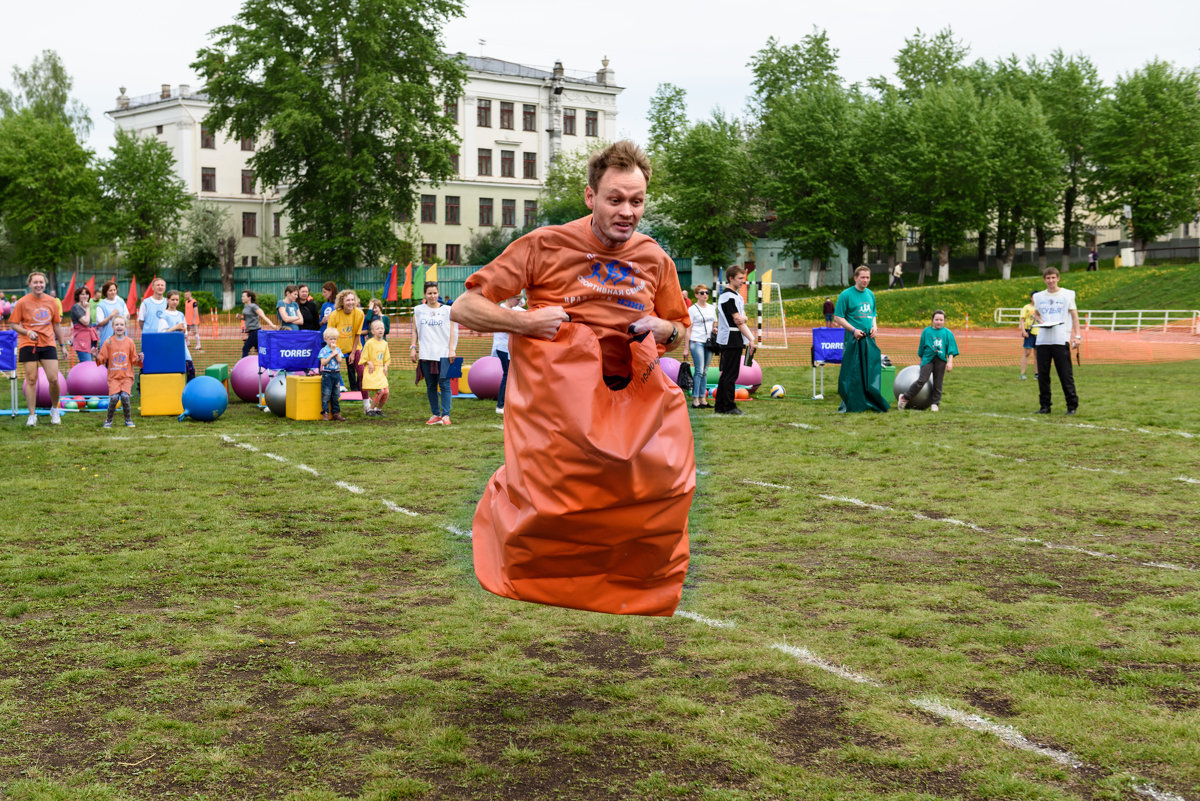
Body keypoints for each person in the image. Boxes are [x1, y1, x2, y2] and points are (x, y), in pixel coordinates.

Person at [448, 139, 693, 616]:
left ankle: (629, 584)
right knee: (551, 511)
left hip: (629, 408)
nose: (627, 212)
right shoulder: (546, 244)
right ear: (590, 197)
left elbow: (679, 330)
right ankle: (532, 569)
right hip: (558, 412)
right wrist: (525, 322)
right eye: (615, 199)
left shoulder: (654, 258)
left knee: (667, 490)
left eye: (637, 201)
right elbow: (465, 306)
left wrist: (666, 328)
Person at [9, 271, 63, 426]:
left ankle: (55, 409)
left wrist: (62, 345)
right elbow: (13, 324)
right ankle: (32, 415)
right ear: (30, 284)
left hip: (48, 344)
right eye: (35, 282)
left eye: (41, 282)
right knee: (31, 379)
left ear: (45, 284)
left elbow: (57, 325)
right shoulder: (22, 302)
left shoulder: (52, 301)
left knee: (53, 378)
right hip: (28, 344)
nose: (39, 285)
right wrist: (27, 332)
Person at [833, 265, 887, 412]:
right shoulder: (846, 295)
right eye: (862, 277)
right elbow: (838, 317)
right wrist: (854, 330)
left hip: (869, 339)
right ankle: (851, 402)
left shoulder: (870, 294)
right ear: (855, 278)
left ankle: (869, 401)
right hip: (853, 339)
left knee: (870, 371)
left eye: (868, 277)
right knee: (853, 372)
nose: (865, 280)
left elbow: (873, 314)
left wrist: (874, 327)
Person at [1032, 267, 1081, 415]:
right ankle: (1045, 406)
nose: (1051, 281)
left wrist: (1077, 336)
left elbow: (1074, 316)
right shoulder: (1039, 296)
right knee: (1043, 375)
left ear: (1058, 278)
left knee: (1065, 374)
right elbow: (1036, 313)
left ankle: (1071, 405)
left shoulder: (1067, 295)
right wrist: (1040, 320)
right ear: (1044, 280)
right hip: (1043, 341)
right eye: (1048, 278)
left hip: (1060, 339)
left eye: (1053, 278)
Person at [411, 281, 457, 425]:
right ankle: (435, 414)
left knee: (445, 385)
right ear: (425, 295)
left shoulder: (448, 310)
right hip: (426, 354)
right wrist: (413, 347)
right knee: (430, 386)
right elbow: (415, 330)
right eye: (429, 293)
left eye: (435, 293)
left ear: (438, 293)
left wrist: (452, 349)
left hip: (443, 353)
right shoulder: (418, 310)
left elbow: (453, 332)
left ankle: (446, 415)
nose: (432, 296)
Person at [713, 266, 755, 415]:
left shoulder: (736, 296)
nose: (742, 281)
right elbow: (737, 319)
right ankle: (728, 406)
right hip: (730, 339)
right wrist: (750, 336)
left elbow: (740, 320)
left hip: (735, 338)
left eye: (743, 278)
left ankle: (721, 406)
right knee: (729, 374)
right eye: (739, 278)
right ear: (731, 278)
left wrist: (750, 337)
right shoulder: (727, 296)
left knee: (729, 374)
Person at [897, 309, 958, 412]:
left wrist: (950, 361)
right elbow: (921, 347)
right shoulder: (926, 331)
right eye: (937, 319)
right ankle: (905, 397)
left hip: (941, 360)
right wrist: (920, 359)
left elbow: (951, 349)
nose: (939, 322)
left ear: (944, 321)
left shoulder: (948, 333)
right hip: (928, 359)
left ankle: (935, 404)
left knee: (938, 383)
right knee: (922, 380)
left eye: (941, 320)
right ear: (932, 320)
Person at [95, 316, 141, 428]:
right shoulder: (108, 342)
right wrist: (96, 355)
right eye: (117, 325)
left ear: (125, 327)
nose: (119, 327)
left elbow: (134, 360)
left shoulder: (130, 342)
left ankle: (128, 420)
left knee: (125, 397)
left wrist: (139, 359)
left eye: (121, 324)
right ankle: (108, 420)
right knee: (114, 398)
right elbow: (102, 359)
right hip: (113, 377)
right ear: (112, 327)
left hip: (127, 376)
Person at [491, 294, 524, 415]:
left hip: (511, 347)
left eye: (520, 300)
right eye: (517, 300)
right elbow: (505, 327)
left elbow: (527, 313)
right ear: (509, 298)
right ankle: (500, 405)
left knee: (512, 375)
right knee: (507, 374)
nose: (519, 302)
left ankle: (510, 403)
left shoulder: (515, 309)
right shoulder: (501, 310)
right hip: (502, 347)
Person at [327, 290, 365, 394]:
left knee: (361, 372)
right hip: (336, 347)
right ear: (342, 302)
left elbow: (357, 334)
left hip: (354, 346)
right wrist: (334, 351)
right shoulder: (334, 315)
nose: (351, 302)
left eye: (352, 300)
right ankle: (335, 390)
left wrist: (352, 353)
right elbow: (330, 334)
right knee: (333, 371)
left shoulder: (359, 313)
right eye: (347, 300)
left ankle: (362, 394)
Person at [687, 284, 717, 409]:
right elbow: (689, 329)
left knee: (705, 371)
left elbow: (714, 323)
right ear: (696, 295)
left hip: (709, 342)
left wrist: (715, 329)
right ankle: (695, 400)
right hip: (696, 341)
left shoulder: (711, 308)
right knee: (699, 371)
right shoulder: (692, 309)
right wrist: (685, 348)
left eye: (707, 292)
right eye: (702, 293)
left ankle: (703, 399)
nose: (705, 295)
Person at [159, 290, 196, 381]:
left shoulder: (181, 314)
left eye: (177, 300)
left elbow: (185, 331)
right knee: (174, 370)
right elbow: (161, 333)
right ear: (167, 300)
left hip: (181, 345)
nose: (175, 302)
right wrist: (176, 327)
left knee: (190, 368)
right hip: (169, 347)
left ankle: (189, 391)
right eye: (172, 299)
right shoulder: (164, 315)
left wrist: (184, 330)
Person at [361, 318, 391, 417]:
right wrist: (369, 363)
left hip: (380, 371)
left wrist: (386, 366)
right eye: (378, 328)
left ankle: (378, 409)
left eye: (382, 328)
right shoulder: (369, 343)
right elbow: (363, 356)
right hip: (372, 371)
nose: (380, 330)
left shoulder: (385, 343)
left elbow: (386, 358)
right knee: (380, 391)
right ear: (373, 331)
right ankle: (369, 409)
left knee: (386, 391)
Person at [318, 327, 346, 421]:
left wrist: (335, 352)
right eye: (331, 339)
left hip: (336, 374)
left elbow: (339, 360)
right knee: (326, 394)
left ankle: (336, 413)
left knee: (336, 394)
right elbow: (323, 363)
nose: (333, 341)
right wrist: (331, 355)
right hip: (327, 374)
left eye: (334, 339)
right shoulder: (323, 350)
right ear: (325, 339)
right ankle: (325, 413)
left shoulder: (337, 350)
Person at [240, 289, 278, 357]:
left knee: (245, 349)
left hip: (255, 331)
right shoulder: (246, 306)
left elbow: (263, 316)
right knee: (260, 350)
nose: (242, 298)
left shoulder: (254, 306)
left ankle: (242, 366)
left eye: (244, 296)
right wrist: (240, 317)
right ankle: (264, 364)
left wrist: (272, 325)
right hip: (251, 331)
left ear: (249, 297)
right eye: (242, 296)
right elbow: (247, 318)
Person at [95, 281, 126, 351]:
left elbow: (127, 316)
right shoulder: (101, 305)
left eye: (114, 290)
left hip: (122, 338)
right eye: (110, 290)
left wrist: (125, 317)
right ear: (106, 292)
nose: (113, 292)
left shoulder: (121, 302)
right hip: (107, 338)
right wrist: (111, 315)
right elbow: (99, 323)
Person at [70, 286, 98, 363]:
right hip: (82, 339)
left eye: (86, 294)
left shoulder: (85, 306)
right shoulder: (76, 307)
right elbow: (86, 322)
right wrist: (88, 308)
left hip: (90, 338)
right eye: (82, 294)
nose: (85, 296)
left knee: (90, 362)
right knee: (87, 362)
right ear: (77, 296)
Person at [1018, 290, 1039, 381]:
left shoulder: (1041, 308)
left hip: (1039, 333)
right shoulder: (1026, 307)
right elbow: (1022, 320)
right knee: (1027, 353)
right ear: (1031, 298)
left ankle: (1037, 373)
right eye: (1034, 297)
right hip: (1029, 332)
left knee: (1037, 354)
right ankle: (1022, 373)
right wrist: (1023, 331)